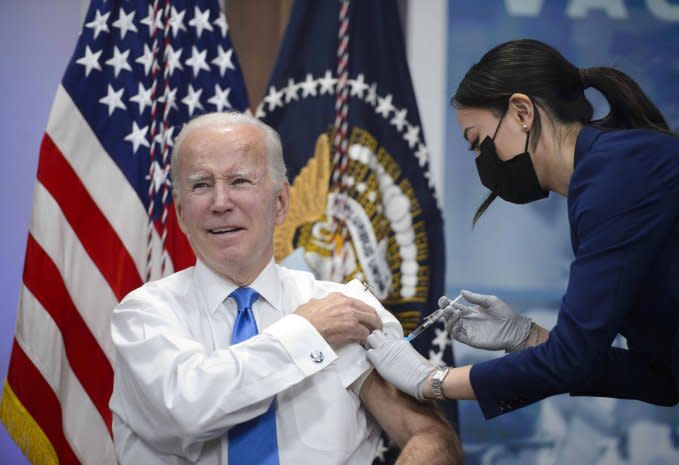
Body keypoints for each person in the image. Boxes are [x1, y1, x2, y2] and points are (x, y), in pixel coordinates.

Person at [365, 38, 679, 462]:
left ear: (523, 112)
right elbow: (659, 378)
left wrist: (433, 380)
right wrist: (528, 338)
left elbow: (572, 359)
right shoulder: (606, 178)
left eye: (478, 142)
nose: (481, 161)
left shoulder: (615, 178)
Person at [109, 112, 462, 465]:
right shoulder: (143, 315)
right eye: (201, 185)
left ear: (280, 203)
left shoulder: (346, 309)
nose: (220, 202)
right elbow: (186, 409)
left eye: (240, 181)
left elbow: (430, 436)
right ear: (182, 213)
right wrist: (306, 332)